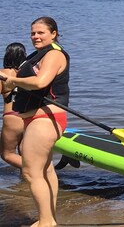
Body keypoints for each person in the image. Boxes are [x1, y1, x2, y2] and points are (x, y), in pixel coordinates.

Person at [0, 16, 70, 227]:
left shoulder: (54, 55)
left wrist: (13, 80)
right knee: (45, 169)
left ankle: (47, 223)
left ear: (53, 33)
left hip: (47, 116)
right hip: (33, 116)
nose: (36, 36)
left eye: (41, 32)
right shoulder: (35, 56)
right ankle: (48, 219)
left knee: (31, 171)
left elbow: (41, 82)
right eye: (33, 33)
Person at [2, 42, 27, 169]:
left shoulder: (3, 73)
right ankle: (26, 183)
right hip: (30, 116)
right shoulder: (28, 73)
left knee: (7, 154)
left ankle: (36, 169)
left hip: (12, 117)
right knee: (24, 152)